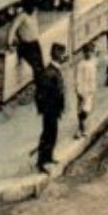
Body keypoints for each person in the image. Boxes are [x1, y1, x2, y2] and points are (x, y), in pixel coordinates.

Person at [34, 44, 67, 174]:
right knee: (48, 134)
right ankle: (42, 162)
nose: (64, 56)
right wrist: (44, 109)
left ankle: (48, 157)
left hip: (53, 109)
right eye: (62, 53)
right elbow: (42, 94)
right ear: (56, 54)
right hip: (50, 109)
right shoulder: (49, 72)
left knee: (52, 134)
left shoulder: (54, 70)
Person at [8, 1, 44, 80]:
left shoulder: (33, 14)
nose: (34, 9)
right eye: (32, 8)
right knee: (36, 67)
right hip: (27, 45)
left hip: (35, 43)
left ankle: (41, 86)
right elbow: (12, 30)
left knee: (40, 67)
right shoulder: (21, 16)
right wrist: (9, 43)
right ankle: (41, 86)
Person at [74, 44, 99, 139]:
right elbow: (78, 79)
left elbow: (101, 60)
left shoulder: (93, 62)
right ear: (83, 53)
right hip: (83, 90)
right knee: (82, 110)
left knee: (87, 110)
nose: (88, 54)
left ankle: (81, 128)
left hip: (90, 90)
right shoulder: (81, 65)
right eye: (86, 52)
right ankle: (81, 129)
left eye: (90, 52)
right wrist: (79, 91)